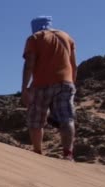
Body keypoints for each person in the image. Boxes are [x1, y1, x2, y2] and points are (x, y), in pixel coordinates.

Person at [21, 16, 77, 160]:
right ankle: (68, 154)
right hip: (66, 82)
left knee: (36, 119)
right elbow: (73, 64)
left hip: (41, 84)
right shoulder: (67, 37)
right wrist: (71, 83)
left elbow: (29, 65)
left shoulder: (35, 38)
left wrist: (25, 88)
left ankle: (38, 152)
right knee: (67, 118)